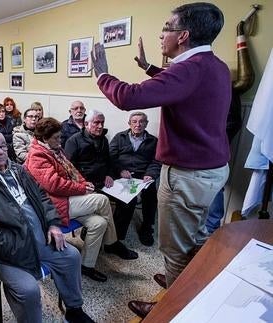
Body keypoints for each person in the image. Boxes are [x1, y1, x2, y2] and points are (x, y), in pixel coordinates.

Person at [91, 2, 230, 317]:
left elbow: (129, 98)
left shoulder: (188, 68)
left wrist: (102, 75)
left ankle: (173, 307)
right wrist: (151, 68)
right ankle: (177, 280)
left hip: (188, 176)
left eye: (166, 28)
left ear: (183, 35)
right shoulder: (214, 65)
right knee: (192, 237)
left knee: (174, 247)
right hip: (210, 171)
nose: (160, 34)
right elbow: (184, 89)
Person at [0, 130, 94, 323]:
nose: (0, 151)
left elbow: (43, 198)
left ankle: (74, 310)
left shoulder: (19, 171)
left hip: (41, 239)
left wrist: (53, 224)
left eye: (3, 146)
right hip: (8, 251)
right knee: (28, 290)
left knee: (71, 256)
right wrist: (10, 245)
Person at [25, 118, 138, 281]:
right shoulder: (37, 155)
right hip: (53, 205)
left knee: (99, 223)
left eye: (60, 136)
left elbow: (73, 172)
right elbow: (54, 185)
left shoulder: (55, 149)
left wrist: (84, 183)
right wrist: (82, 188)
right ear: (44, 139)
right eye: (56, 137)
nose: (60, 140)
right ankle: (112, 243)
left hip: (67, 199)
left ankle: (87, 266)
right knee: (101, 200)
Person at [109, 112, 160, 246]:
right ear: (129, 123)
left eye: (141, 121)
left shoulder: (153, 141)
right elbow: (111, 157)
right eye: (134, 121)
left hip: (143, 175)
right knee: (127, 199)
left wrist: (150, 174)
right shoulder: (119, 137)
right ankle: (118, 233)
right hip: (122, 174)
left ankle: (147, 227)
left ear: (146, 124)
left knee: (151, 193)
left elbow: (156, 161)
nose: (138, 124)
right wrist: (120, 170)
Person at [65, 110, 114, 190]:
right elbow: (69, 167)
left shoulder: (104, 139)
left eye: (102, 122)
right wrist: (81, 182)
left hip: (104, 182)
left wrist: (109, 175)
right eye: (96, 123)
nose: (100, 126)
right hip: (85, 183)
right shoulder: (73, 141)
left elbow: (108, 161)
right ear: (86, 124)